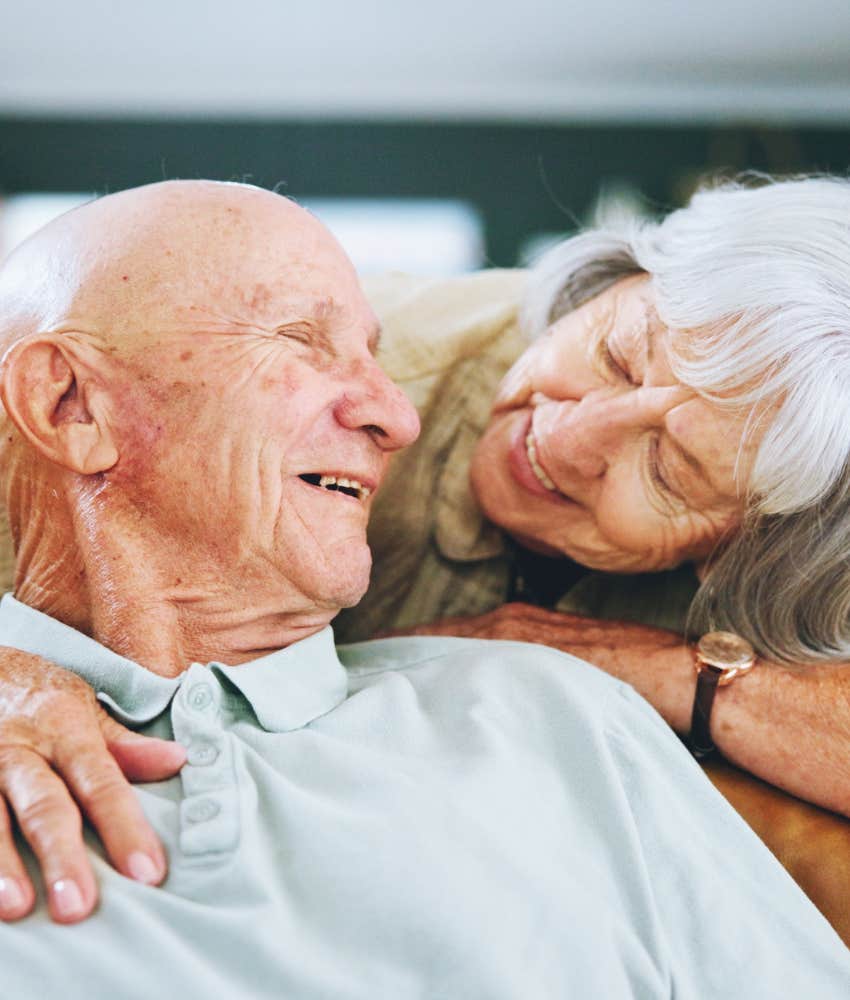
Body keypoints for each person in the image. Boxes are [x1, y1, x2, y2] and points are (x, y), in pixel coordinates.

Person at [0, 180, 847, 998]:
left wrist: (668, 676)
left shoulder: (580, 715)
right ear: (603, 287)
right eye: (616, 357)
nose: (564, 436)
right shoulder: (354, 330)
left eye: (667, 470)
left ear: (732, 554)